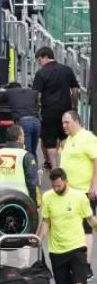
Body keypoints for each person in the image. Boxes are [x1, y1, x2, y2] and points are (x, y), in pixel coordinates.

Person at [39, 168, 97, 284]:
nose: (56, 189)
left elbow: (90, 218)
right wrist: (39, 238)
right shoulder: (47, 197)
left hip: (77, 247)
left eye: (59, 186)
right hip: (57, 250)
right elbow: (46, 221)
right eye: (53, 186)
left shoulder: (80, 197)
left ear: (66, 181)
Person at [59, 110, 97, 277]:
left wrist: (94, 185)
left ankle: (86, 267)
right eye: (62, 123)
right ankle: (77, 264)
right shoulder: (68, 140)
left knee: (86, 230)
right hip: (70, 193)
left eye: (67, 122)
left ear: (76, 121)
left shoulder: (87, 138)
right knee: (74, 230)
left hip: (84, 193)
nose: (64, 126)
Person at [34, 46, 81, 170]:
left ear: (45, 57)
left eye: (39, 60)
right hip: (66, 109)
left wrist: (37, 108)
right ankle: (66, 165)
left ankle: (54, 168)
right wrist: (74, 106)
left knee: (49, 140)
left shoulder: (41, 73)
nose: (39, 63)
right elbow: (75, 90)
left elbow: (37, 95)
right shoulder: (67, 70)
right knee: (65, 137)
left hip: (48, 111)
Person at [0, 125, 39, 203]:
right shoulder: (26, 156)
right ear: (20, 138)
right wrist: (35, 203)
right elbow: (32, 184)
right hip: (20, 201)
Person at [0, 82, 41, 158]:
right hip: (36, 122)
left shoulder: (9, 92)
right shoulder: (31, 92)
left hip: (24, 123)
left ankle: (28, 168)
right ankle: (34, 168)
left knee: (26, 152)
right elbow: (38, 105)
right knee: (33, 151)